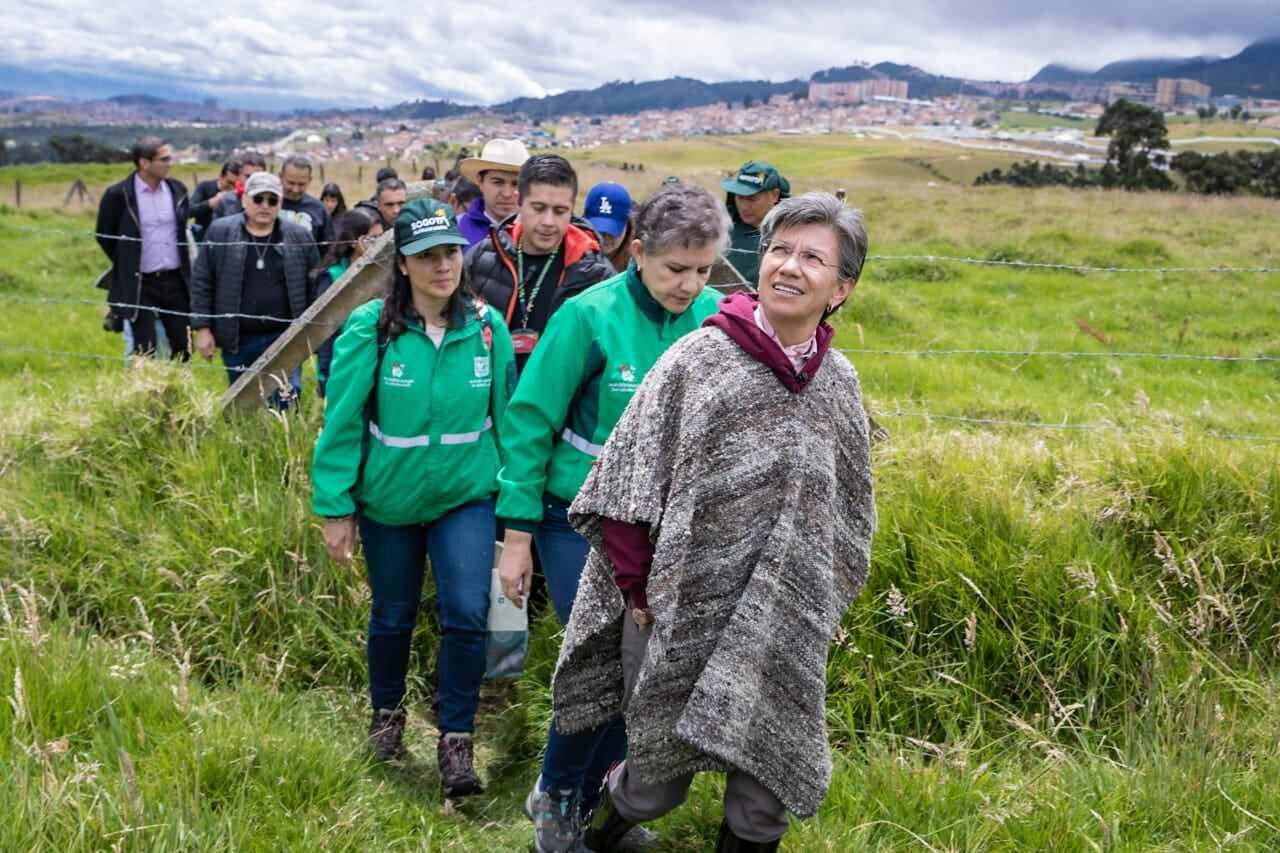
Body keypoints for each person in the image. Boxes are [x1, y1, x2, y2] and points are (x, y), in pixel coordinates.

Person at [550, 193, 877, 853]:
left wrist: (817, 602)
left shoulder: (838, 384)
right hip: (673, 610)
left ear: (840, 289)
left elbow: (848, 514)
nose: (789, 266)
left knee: (765, 787)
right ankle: (598, 829)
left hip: (783, 621)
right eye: (779, 250)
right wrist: (638, 591)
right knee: (654, 780)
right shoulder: (698, 361)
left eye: (812, 258)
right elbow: (625, 483)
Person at [494, 181, 728, 853]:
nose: (689, 285)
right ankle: (556, 794)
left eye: (702, 270)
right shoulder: (587, 317)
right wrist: (516, 537)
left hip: (667, 529)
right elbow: (531, 422)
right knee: (597, 660)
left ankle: (599, 798)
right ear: (639, 251)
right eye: (675, 268)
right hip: (577, 517)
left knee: (644, 669)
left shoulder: (717, 319)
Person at [311, 198, 516, 797]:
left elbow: (508, 420)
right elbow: (342, 421)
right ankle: (387, 716)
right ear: (401, 263)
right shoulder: (371, 330)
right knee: (393, 614)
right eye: (426, 256)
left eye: (450, 252)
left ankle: (456, 739)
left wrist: (517, 508)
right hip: (389, 502)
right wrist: (336, 506)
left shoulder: (487, 328)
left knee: (466, 613)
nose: (442, 266)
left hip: (465, 496)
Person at [464, 154, 613, 374]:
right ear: (519, 202)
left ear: (572, 208)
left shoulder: (596, 274)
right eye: (538, 208)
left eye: (560, 211)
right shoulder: (481, 259)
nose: (548, 222)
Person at [190, 171, 320, 408]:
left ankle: (282, 432)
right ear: (244, 199)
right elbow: (202, 281)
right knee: (243, 406)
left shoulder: (299, 236)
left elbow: (314, 286)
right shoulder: (221, 232)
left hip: (285, 336)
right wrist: (203, 328)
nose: (265, 206)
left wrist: (310, 332)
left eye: (272, 200)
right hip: (238, 337)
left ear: (280, 203)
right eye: (258, 198)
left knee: (286, 402)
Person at [95, 135, 192, 360]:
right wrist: (127, 260)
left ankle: (179, 382)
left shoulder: (178, 190)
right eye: (164, 159)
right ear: (144, 163)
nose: (170, 164)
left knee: (182, 346)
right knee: (144, 347)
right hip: (141, 283)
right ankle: (143, 382)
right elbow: (105, 235)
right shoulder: (118, 195)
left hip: (175, 280)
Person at [311, 208, 384, 397]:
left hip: (382, 361)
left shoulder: (388, 273)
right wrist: (325, 375)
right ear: (353, 241)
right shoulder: (333, 277)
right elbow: (325, 333)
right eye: (371, 239)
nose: (378, 245)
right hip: (345, 362)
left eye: (381, 238)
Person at [721, 160, 790, 286]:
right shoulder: (724, 231)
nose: (744, 206)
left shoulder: (793, 233)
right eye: (739, 197)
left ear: (774, 195)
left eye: (752, 199)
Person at [457, 138, 529, 247]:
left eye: (516, 184)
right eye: (497, 182)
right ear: (480, 181)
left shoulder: (540, 231)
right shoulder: (456, 229)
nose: (507, 194)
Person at [279, 154, 332, 247]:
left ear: (309, 180)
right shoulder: (265, 204)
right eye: (291, 183)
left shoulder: (319, 209)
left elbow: (327, 247)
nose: (295, 189)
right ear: (280, 177)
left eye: (301, 184)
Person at [583, 182, 634, 273]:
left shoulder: (637, 268)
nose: (605, 237)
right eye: (598, 230)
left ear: (628, 227)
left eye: (612, 231)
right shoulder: (568, 258)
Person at [188, 158, 241, 241]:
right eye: (229, 183)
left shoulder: (239, 193)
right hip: (204, 238)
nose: (232, 187)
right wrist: (210, 203)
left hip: (229, 239)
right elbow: (189, 211)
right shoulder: (204, 187)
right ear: (221, 177)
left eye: (236, 184)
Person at [213, 152, 268, 219]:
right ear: (239, 176)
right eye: (248, 176)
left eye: (257, 177)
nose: (252, 181)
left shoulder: (272, 202)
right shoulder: (226, 200)